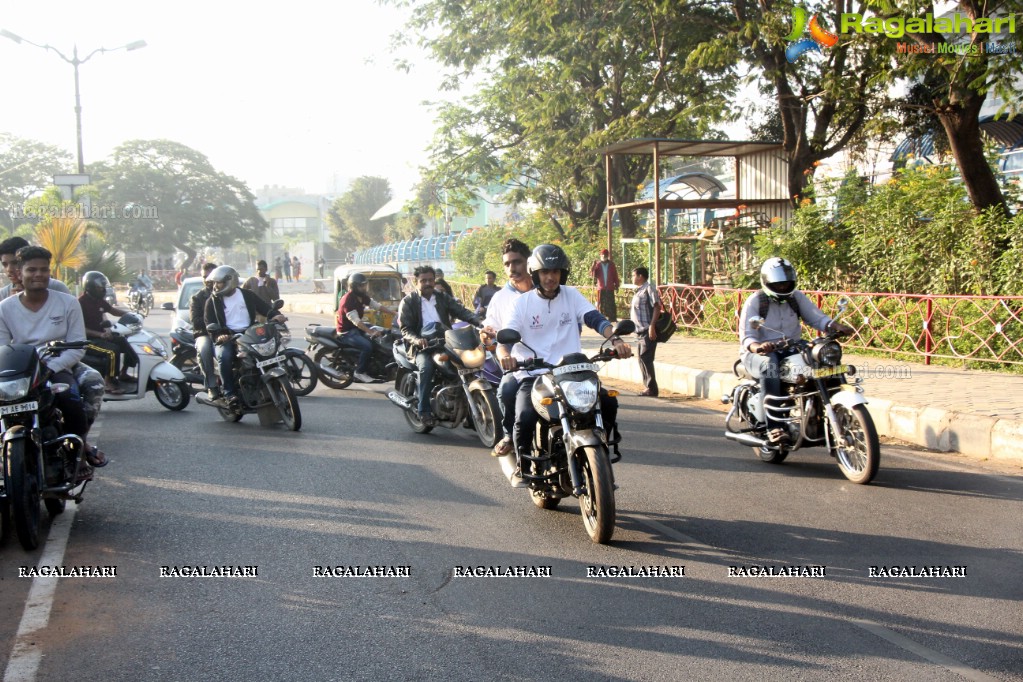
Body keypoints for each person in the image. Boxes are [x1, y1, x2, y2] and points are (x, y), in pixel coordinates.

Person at [499, 244, 632, 484]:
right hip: (535, 373)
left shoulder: (571, 295)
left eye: (556, 272)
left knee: (608, 402)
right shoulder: (522, 304)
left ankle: (599, 445)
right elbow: (506, 337)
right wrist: (504, 354)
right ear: (536, 274)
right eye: (545, 272)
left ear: (563, 274)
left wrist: (616, 339)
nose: (551, 277)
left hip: (573, 372)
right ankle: (524, 465)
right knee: (525, 416)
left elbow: (596, 319)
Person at [0, 246, 107, 475]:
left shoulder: (68, 303)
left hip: (58, 365)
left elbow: (77, 346)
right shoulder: (4, 308)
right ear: (19, 273)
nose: (38, 274)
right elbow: (3, 349)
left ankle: (76, 450)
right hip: (20, 373)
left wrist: (50, 367)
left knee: (73, 397)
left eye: (43, 270)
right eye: (31, 270)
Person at [740, 257, 855, 445]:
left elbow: (816, 318)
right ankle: (774, 426)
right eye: (779, 283)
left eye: (787, 282)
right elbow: (747, 336)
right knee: (771, 365)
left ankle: (837, 414)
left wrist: (835, 326)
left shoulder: (796, 297)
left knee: (824, 358)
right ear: (767, 282)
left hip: (792, 347)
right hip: (759, 354)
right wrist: (758, 346)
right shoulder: (756, 301)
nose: (784, 287)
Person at [398, 265, 481, 427]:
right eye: (423, 281)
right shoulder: (408, 301)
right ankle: (423, 410)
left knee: (467, 366)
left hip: (445, 342)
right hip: (422, 346)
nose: (428, 283)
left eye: (430, 280)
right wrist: (417, 340)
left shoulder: (442, 297)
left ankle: (470, 412)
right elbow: (405, 329)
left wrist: (479, 322)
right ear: (416, 282)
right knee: (426, 368)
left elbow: (461, 312)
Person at [203, 265, 288, 406]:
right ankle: (229, 393)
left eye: (219, 282)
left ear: (230, 281)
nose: (216, 286)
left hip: (249, 334)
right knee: (224, 357)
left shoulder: (247, 295)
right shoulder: (212, 301)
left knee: (269, 353)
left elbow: (265, 308)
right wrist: (219, 336)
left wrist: (277, 315)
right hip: (228, 337)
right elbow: (209, 323)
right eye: (214, 283)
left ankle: (272, 386)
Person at [481, 239, 532, 457]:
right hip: (518, 363)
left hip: (554, 361)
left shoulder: (548, 290)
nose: (512, 268)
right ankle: (510, 435)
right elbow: (490, 330)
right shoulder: (500, 298)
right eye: (507, 264)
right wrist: (487, 336)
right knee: (506, 390)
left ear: (529, 262)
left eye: (517, 262)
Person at [79, 271, 139, 395]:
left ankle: (123, 373)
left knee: (125, 342)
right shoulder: (81, 302)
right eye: (100, 287)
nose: (103, 290)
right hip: (86, 340)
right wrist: (100, 334)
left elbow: (112, 311)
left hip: (101, 337)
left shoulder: (98, 300)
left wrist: (131, 314)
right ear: (90, 287)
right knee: (112, 351)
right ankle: (108, 381)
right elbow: (80, 328)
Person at [336, 272, 396, 383]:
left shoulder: (362, 296)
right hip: (347, 332)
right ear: (354, 287)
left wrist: (393, 313)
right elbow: (356, 321)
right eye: (361, 285)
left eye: (365, 285)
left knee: (383, 331)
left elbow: (376, 306)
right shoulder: (347, 300)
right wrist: (370, 332)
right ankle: (359, 372)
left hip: (356, 328)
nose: (364, 287)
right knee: (367, 346)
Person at [0, 236, 72, 300]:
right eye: (5, 264)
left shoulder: (58, 288)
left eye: (14, 263)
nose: (9, 269)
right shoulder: (3, 295)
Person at [629, 266, 662, 397]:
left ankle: (652, 388)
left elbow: (657, 307)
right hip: (639, 331)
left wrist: (652, 326)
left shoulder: (649, 288)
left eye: (633, 275)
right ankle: (647, 387)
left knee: (646, 358)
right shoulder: (639, 290)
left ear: (640, 276)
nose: (632, 278)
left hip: (647, 330)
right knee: (641, 359)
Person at [190, 262, 220, 399]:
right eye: (204, 277)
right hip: (205, 333)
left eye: (210, 277)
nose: (207, 280)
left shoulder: (227, 294)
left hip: (226, 332)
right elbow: (195, 321)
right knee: (205, 348)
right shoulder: (197, 298)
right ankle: (211, 386)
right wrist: (213, 322)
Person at [589, 248, 620, 322]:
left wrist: (617, 285)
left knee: (611, 303)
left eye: (605, 255)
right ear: (600, 255)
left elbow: (615, 275)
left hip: (610, 287)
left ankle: (612, 318)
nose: (603, 256)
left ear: (607, 255)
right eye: (602, 254)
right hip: (601, 287)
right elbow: (592, 275)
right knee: (601, 303)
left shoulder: (611, 264)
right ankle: (602, 317)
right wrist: (593, 267)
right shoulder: (598, 264)